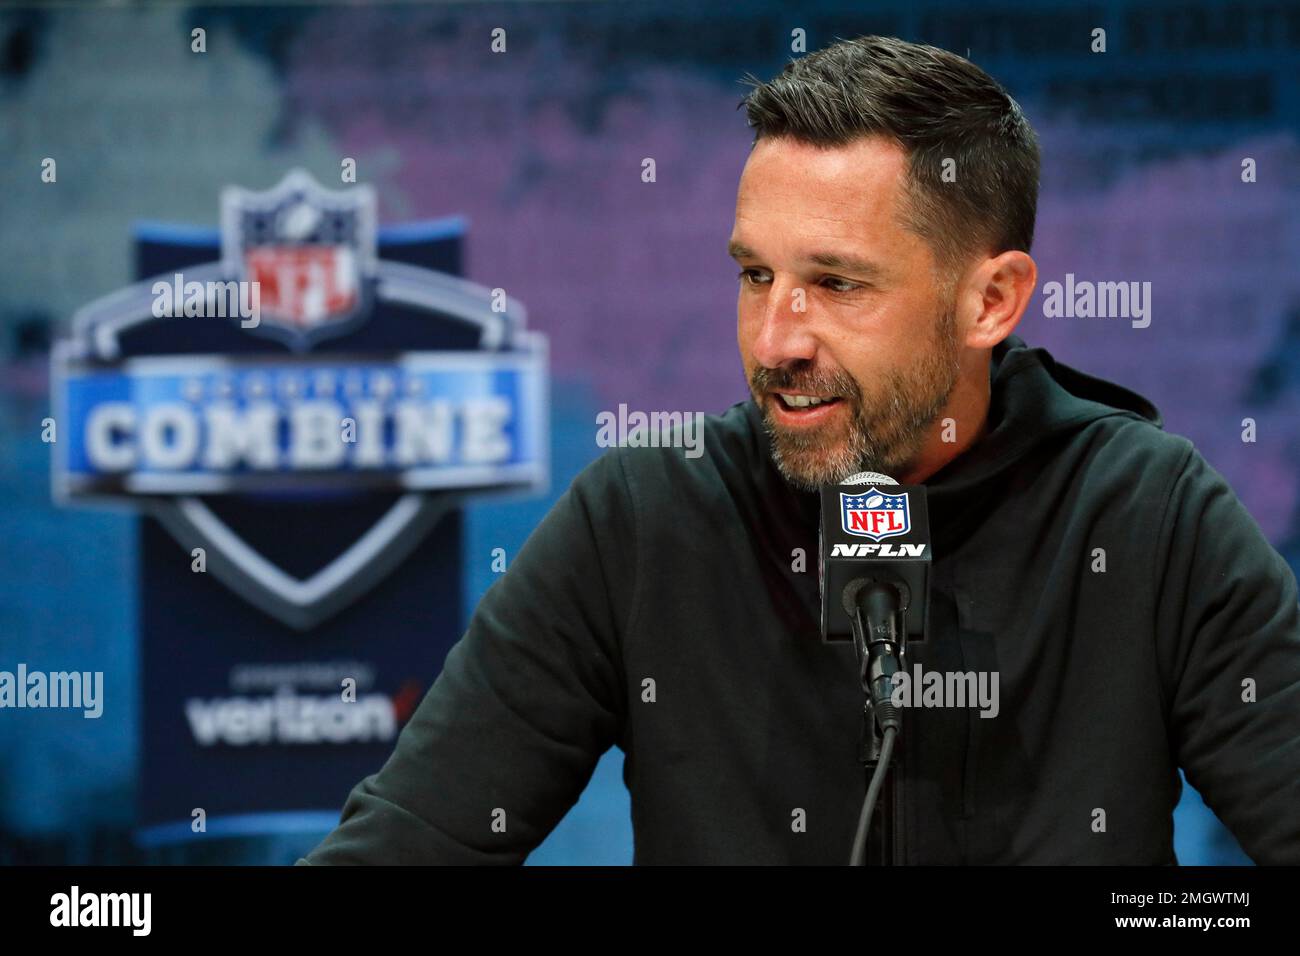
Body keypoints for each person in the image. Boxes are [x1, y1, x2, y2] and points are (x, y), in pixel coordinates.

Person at [300, 35, 1300, 865]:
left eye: (837, 284)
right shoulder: (644, 519)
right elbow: (403, 845)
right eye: (753, 274)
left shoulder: (1146, 516)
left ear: (989, 299)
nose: (775, 339)